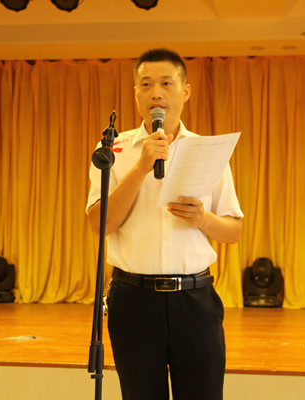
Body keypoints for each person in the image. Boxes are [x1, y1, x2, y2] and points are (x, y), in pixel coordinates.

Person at [86, 48, 243, 400]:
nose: (156, 92)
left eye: (166, 83)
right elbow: (99, 224)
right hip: (134, 301)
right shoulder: (113, 150)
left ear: (185, 91)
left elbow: (234, 230)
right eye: (146, 84)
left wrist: (202, 219)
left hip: (195, 301)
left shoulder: (207, 150)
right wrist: (142, 166)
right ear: (136, 93)